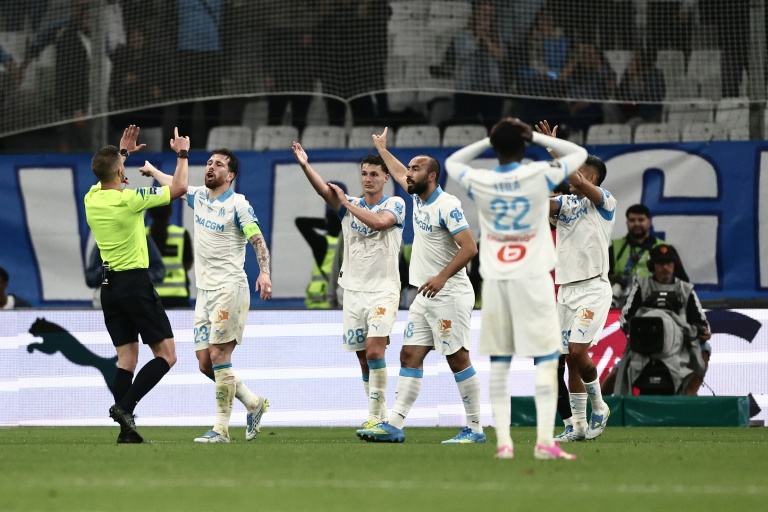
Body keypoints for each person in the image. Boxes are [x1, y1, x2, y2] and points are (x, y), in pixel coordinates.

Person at [445, 117, 587, 460]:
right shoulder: (537, 175)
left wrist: (490, 139)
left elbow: (452, 162)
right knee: (548, 359)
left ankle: (504, 444)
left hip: (497, 280)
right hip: (534, 278)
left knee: (499, 362)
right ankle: (544, 442)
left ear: (495, 147)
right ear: (523, 144)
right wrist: (536, 137)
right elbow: (578, 154)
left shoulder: (481, 179)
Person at [356, 128, 483, 444]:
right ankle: (394, 425)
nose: (409, 174)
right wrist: (382, 150)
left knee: (457, 358)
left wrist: (442, 276)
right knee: (409, 355)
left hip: (450, 293)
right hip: (424, 295)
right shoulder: (417, 196)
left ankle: (476, 428)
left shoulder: (447, 205)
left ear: (432, 176)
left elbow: (470, 247)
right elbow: (398, 172)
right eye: (410, 168)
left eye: (416, 169)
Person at [141, 148, 272, 444]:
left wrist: (264, 272)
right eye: (210, 162)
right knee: (205, 363)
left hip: (230, 288)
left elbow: (257, 240)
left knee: (218, 355)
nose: (211, 167)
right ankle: (253, 403)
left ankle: (221, 429)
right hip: (205, 292)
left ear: (231, 175)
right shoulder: (199, 196)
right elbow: (176, 185)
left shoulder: (239, 205)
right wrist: (153, 171)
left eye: (219, 164)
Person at [84, 125, 189, 444]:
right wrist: (182, 154)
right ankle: (125, 407)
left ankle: (126, 432)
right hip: (134, 284)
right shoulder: (129, 200)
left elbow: (107, 174)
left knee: (126, 360)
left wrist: (122, 153)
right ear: (120, 171)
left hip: (109, 287)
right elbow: (179, 188)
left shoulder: (91, 197)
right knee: (167, 355)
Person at [292, 141, 405, 434]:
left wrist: (346, 204)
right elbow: (324, 191)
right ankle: (376, 415)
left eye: (374, 174)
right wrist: (305, 165)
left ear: (386, 177)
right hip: (353, 293)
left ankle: (378, 418)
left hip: (384, 290)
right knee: (363, 358)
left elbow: (379, 223)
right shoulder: (348, 205)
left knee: (375, 351)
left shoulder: (395, 204)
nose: (368, 178)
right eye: (364, 173)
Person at [535, 120, 616, 444]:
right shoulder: (566, 204)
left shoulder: (604, 202)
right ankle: (578, 426)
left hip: (593, 288)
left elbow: (576, 180)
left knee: (579, 351)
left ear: (591, 178)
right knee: (569, 358)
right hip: (566, 291)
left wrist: (554, 149)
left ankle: (600, 406)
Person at [614, 244, 711, 396]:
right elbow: (625, 319)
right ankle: (600, 404)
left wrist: (703, 332)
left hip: (679, 344)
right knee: (616, 373)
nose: (665, 267)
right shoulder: (641, 286)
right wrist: (635, 336)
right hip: (645, 344)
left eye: (669, 263)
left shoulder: (686, 289)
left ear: (674, 265)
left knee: (705, 348)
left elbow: (702, 324)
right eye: (660, 263)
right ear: (652, 266)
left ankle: (690, 394)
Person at [609, 204, 670, 309]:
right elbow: (600, 280)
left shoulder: (663, 248)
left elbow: (679, 280)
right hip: (619, 306)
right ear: (627, 223)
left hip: (655, 304)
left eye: (641, 220)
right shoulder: (614, 248)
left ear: (649, 222)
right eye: (632, 220)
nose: (636, 223)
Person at [295, 184, 346, 309]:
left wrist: (327, 224)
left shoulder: (321, 243)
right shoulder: (347, 243)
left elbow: (301, 222)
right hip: (339, 300)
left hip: (318, 304)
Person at [85, 235, 166, 309]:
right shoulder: (103, 242)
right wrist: (106, 272)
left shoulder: (143, 240)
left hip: (138, 296)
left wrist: (137, 275)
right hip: (110, 296)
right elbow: (91, 278)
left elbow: (159, 271)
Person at [147, 204, 194, 309]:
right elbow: (188, 264)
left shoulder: (143, 235)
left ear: (150, 213)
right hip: (177, 295)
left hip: (151, 295)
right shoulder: (181, 234)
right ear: (170, 212)